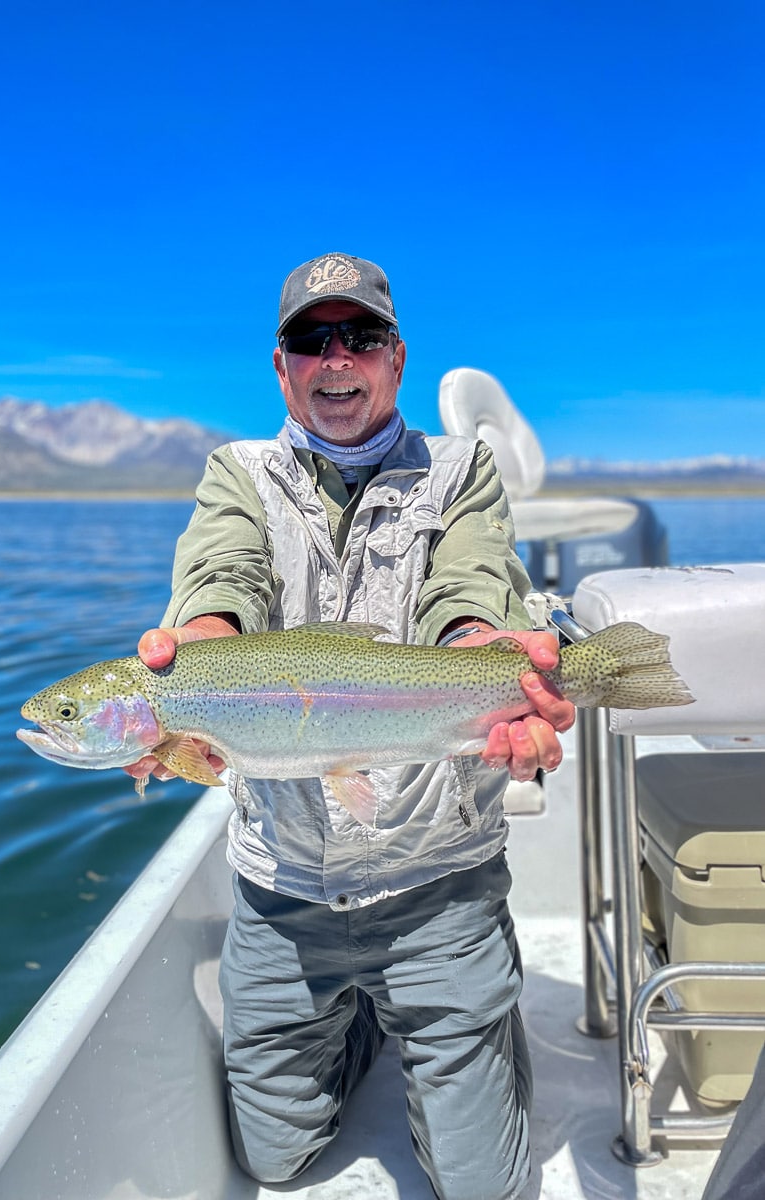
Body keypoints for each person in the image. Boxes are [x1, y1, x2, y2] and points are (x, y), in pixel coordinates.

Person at [126, 253, 575, 1200]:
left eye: (360, 336)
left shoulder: (461, 469)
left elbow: (469, 586)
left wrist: (482, 645)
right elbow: (223, 581)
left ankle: (461, 1035)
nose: (337, 358)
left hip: (439, 881)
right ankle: (369, 1020)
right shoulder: (237, 473)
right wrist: (201, 656)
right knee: (275, 1160)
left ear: (396, 359)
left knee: (482, 1188)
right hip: (283, 891)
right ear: (281, 366)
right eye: (310, 338)